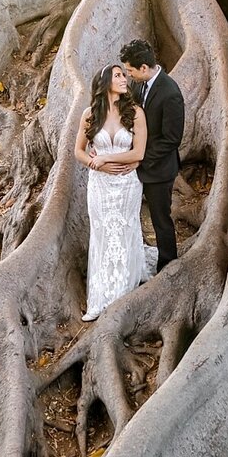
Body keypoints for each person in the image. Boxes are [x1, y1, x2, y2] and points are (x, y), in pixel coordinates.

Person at [75, 64, 156, 322]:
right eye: (118, 75)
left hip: (126, 183)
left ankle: (122, 293)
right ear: (104, 82)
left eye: (124, 74)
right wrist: (92, 162)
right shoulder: (90, 115)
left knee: (123, 230)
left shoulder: (135, 113)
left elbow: (138, 154)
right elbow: (79, 151)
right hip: (99, 185)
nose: (123, 79)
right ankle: (99, 298)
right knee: (102, 234)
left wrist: (106, 161)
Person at [119, 39, 184, 272]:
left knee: (160, 219)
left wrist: (140, 158)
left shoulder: (170, 93)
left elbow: (172, 138)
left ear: (143, 68)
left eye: (130, 70)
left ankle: (168, 264)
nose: (128, 75)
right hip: (134, 165)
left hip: (159, 170)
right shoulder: (139, 86)